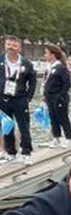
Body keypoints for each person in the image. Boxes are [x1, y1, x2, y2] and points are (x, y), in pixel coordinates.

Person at [0, 34, 36, 163]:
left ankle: (26, 153)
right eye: (9, 45)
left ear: (19, 48)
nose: (11, 47)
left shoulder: (26, 63)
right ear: (5, 46)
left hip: (20, 99)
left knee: (23, 126)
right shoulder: (1, 60)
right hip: (3, 98)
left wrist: (28, 97)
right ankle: (11, 152)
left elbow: (32, 81)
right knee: (7, 126)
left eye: (14, 45)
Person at [42, 44, 71, 146]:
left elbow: (67, 83)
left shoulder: (61, 68)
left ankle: (69, 138)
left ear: (53, 54)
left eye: (46, 53)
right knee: (53, 117)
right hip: (49, 97)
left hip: (59, 97)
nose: (45, 55)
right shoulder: (49, 68)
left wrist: (60, 95)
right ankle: (56, 137)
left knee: (63, 117)